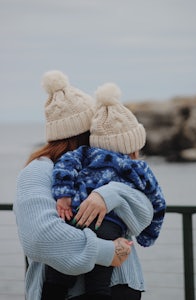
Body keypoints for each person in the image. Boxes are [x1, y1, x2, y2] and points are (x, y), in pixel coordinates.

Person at [13, 70, 154, 300]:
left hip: (124, 286)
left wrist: (109, 194)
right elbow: (40, 239)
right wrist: (109, 253)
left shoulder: (108, 170)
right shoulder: (39, 171)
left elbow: (145, 214)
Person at [44, 82, 166, 299]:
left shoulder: (85, 154)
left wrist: (63, 195)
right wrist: (148, 235)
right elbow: (157, 202)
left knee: (57, 278)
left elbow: (64, 165)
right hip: (109, 227)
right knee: (99, 282)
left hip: (76, 219)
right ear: (134, 146)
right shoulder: (137, 167)